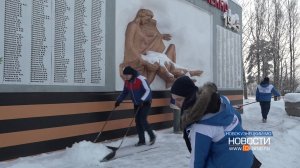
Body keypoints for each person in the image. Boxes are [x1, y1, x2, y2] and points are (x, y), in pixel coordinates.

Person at [170, 76, 261, 168]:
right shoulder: (222, 101)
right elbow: (237, 116)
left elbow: (197, 161)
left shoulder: (200, 126)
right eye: (174, 99)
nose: (175, 104)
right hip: (248, 159)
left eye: (179, 99)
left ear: (190, 97)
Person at [120, 9, 202, 88]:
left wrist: (161, 36)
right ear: (141, 16)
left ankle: (181, 75)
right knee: (156, 62)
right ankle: (182, 74)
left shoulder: (139, 27)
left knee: (160, 61)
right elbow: (129, 46)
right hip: (134, 58)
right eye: (147, 19)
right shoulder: (132, 25)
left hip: (142, 57)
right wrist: (143, 61)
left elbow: (147, 39)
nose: (148, 21)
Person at [115, 66, 156, 146]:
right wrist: (119, 100)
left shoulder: (141, 79)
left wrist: (142, 99)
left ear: (132, 74)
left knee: (142, 119)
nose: (126, 77)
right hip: (137, 104)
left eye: (127, 75)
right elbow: (125, 92)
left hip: (145, 103)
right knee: (138, 122)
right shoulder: (127, 82)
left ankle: (152, 136)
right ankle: (142, 140)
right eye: (125, 75)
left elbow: (148, 91)